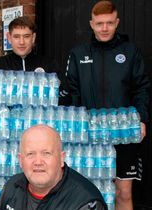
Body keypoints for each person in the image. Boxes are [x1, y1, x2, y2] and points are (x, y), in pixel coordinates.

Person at [65, 1, 150, 209]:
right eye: (100, 23)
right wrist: (73, 128)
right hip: (88, 136)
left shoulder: (130, 52)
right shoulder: (78, 54)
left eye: (110, 23)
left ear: (117, 22)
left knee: (123, 193)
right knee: (88, 193)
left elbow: (142, 88)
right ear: (91, 24)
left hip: (124, 134)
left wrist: (141, 119)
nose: (104, 28)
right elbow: (71, 94)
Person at [0, 125, 107, 210]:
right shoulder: (11, 187)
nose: (38, 162)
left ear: (61, 159)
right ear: (20, 160)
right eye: (30, 154)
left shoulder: (85, 202)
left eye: (46, 153)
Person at [0, 17, 69, 104]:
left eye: (26, 36)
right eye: (16, 37)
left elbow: (66, 96)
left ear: (33, 37)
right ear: (9, 38)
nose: (21, 42)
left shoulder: (49, 64)